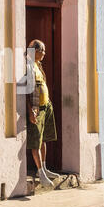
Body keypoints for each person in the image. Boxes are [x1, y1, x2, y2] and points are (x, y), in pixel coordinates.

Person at [26, 39, 60, 188]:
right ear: (35, 51)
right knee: (36, 142)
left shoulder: (38, 65)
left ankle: (45, 168)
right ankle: (40, 172)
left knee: (44, 138)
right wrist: (30, 110)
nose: (45, 53)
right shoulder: (28, 66)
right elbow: (26, 92)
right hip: (36, 108)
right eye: (43, 51)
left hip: (45, 106)